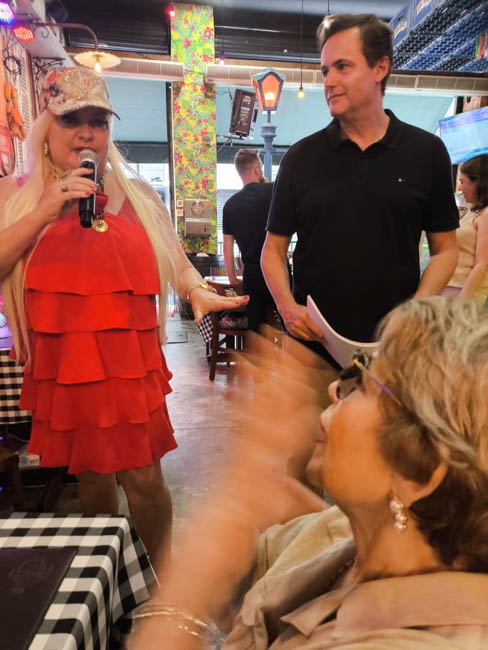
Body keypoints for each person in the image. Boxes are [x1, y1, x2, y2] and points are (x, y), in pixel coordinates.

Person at [131, 296, 488, 649]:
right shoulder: (354, 533)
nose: (335, 388)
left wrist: (225, 519)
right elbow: (253, 579)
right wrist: (248, 501)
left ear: (418, 474)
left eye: (363, 385)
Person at [0, 66, 248, 568]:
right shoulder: (13, 194)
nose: (86, 133)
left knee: (144, 476)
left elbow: (177, 261)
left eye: (98, 121)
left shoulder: (138, 194)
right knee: (92, 475)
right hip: (66, 367)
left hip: (128, 365)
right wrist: (44, 210)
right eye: (72, 120)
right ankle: (112, 572)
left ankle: (165, 578)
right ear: (46, 124)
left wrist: (198, 291)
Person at [261, 13, 459, 356]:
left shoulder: (427, 153)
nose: (329, 81)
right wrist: (286, 306)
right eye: (325, 70)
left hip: (395, 350)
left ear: (380, 68)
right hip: (314, 350)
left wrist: (417, 309)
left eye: (342, 67)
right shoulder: (300, 158)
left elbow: (446, 250)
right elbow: (272, 250)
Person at [223, 149, 278, 332]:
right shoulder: (273, 191)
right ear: (256, 169)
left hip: (252, 275)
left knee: (256, 330)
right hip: (277, 270)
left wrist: (232, 278)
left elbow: (227, 246)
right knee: (288, 324)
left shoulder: (230, 205)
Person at [442, 154, 488, 306]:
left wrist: (464, 299)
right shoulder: (472, 210)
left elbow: (482, 263)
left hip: (462, 290)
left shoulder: (486, 214)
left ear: (478, 183)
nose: (460, 188)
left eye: (462, 182)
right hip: (450, 285)